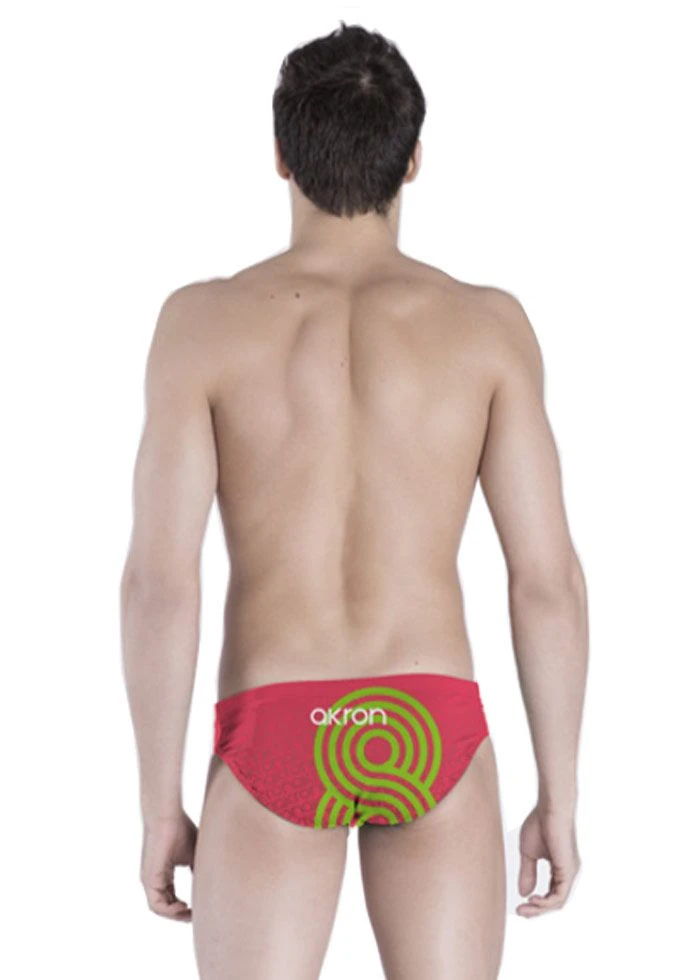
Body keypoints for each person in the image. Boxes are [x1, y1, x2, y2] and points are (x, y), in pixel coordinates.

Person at [120, 21, 588, 980]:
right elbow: (547, 583)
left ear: (280, 155)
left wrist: (160, 805)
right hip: (428, 720)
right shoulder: (488, 329)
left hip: (276, 721)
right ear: (413, 161)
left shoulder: (200, 326)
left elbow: (160, 584)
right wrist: (560, 794)